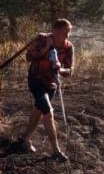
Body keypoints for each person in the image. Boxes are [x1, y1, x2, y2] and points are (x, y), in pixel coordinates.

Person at [17, 18, 74, 160]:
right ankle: (56, 151)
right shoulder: (42, 39)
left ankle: (25, 139)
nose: (67, 36)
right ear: (55, 31)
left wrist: (60, 69)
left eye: (69, 33)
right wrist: (46, 48)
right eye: (64, 32)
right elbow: (29, 57)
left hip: (51, 84)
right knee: (48, 113)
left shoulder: (68, 47)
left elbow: (70, 71)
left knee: (38, 111)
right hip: (36, 80)